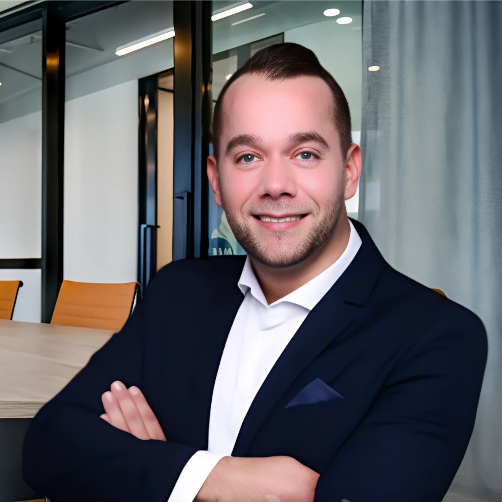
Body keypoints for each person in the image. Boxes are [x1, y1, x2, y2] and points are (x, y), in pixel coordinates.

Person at [23, 43, 487, 502]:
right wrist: (213, 480)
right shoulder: (176, 290)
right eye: (248, 156)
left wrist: (150, 470)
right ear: (216, 180)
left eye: (305, 153)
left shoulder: (438, 337)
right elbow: (48, 448)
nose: (276, 186)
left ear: (349, 171)